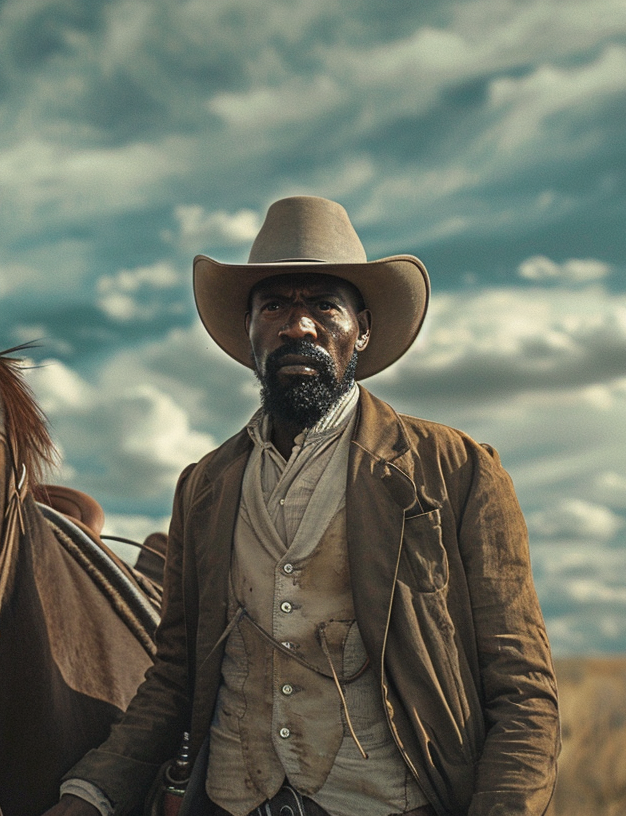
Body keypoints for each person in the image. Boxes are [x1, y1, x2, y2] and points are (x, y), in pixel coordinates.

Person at [45, 196, 559, 816]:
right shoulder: (203, 487)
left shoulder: (456, 470)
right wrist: (91, 793)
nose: (298, 325)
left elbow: (523, 692)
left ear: (361, 328)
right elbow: (174, 679)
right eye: (275, 305)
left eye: (323, 304)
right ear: (250, 330)